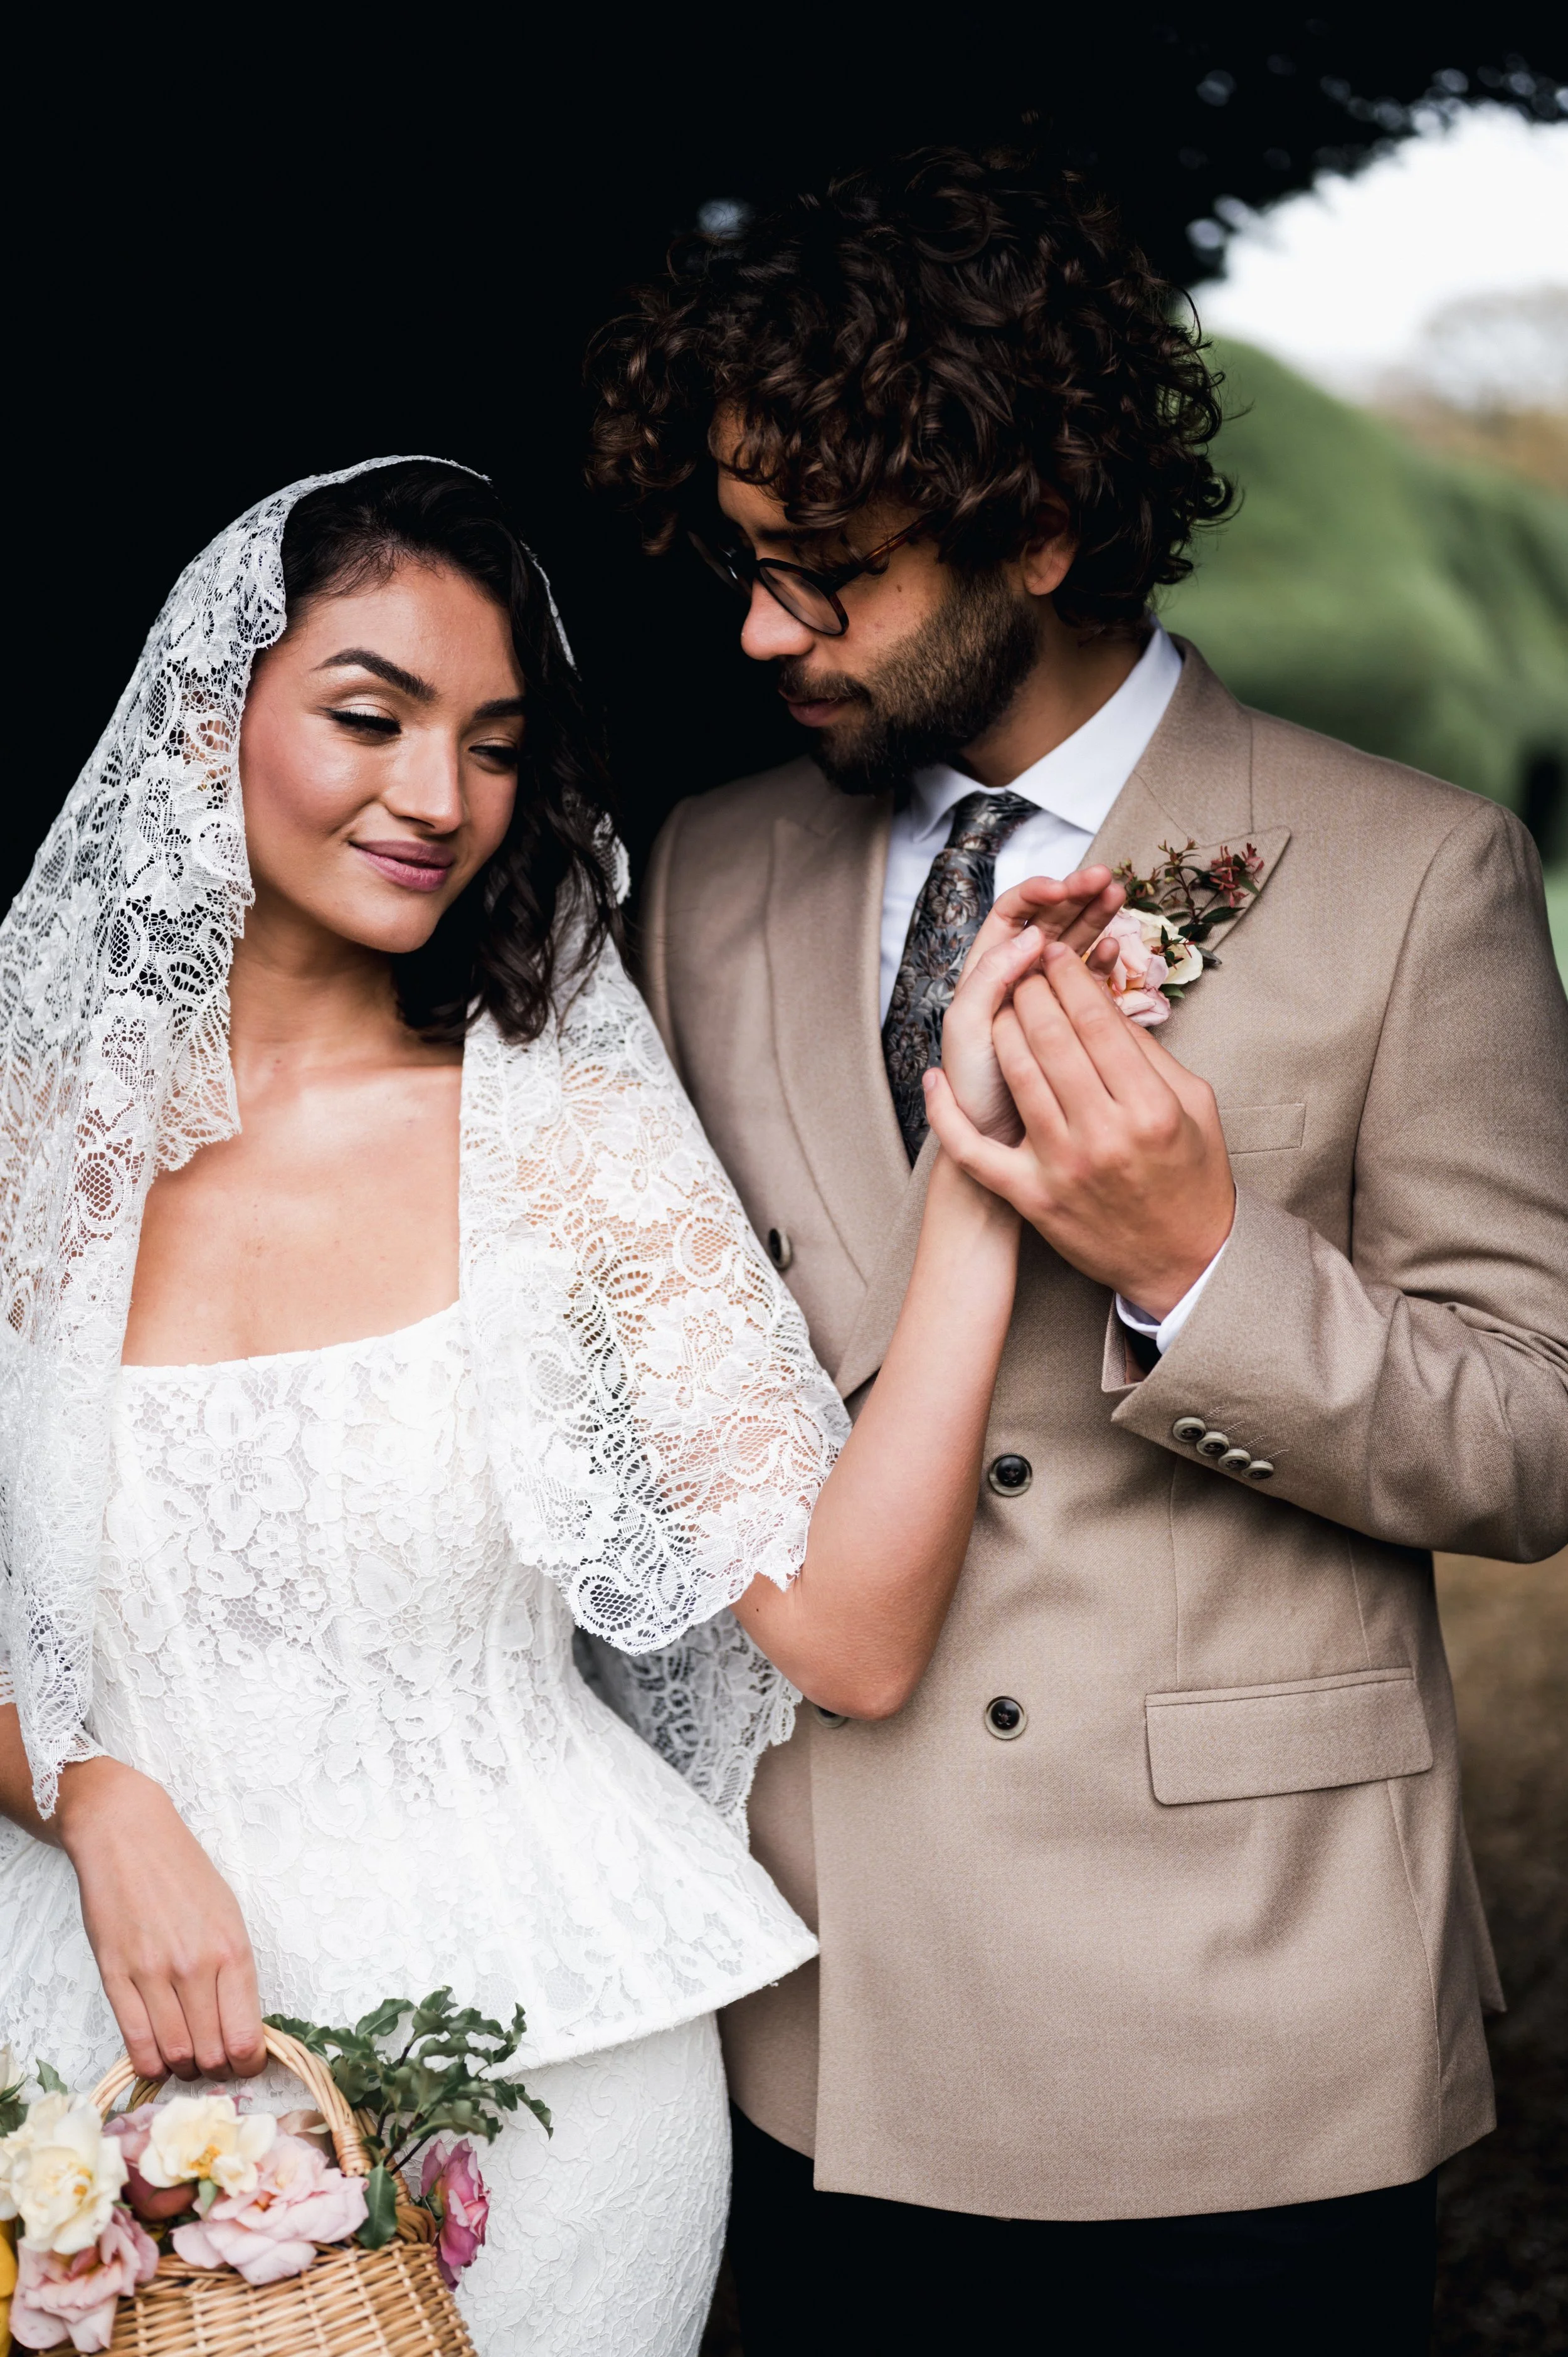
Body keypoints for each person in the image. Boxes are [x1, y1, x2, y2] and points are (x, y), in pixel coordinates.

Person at [588, 147, 1568, 2354]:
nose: (761, 636)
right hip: (814, 1995)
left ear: (1039, 527)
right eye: (746, 571)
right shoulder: (708, 868)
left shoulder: (1416, 874)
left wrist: (1205, 1268)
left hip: (1232, 1997)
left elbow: (1533, 1433)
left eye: (827, 577)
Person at [0, 457, 1120, 2356]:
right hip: (71, 2077)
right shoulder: (30, 1149)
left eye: (493, 742)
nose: (436, 796)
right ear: (211, 723)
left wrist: (971, 1192)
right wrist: (94, 1791)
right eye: (371, 715)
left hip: (553, 2070)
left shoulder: (558, 1137)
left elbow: (844, 1633)